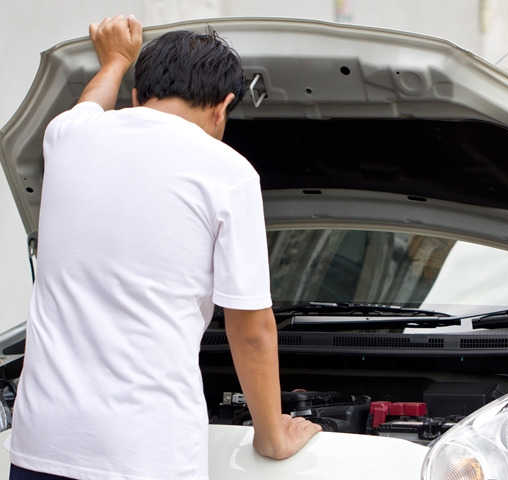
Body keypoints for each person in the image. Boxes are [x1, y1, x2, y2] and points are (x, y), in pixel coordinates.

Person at [8, 14, 321, 480]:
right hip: (147, 455)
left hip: (40, 447)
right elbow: (250, 326)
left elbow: (89, 106)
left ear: (135, 97)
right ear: (225, 106)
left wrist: (115, 60)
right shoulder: (228, 173)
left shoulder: (67, 137)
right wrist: (270, 433)